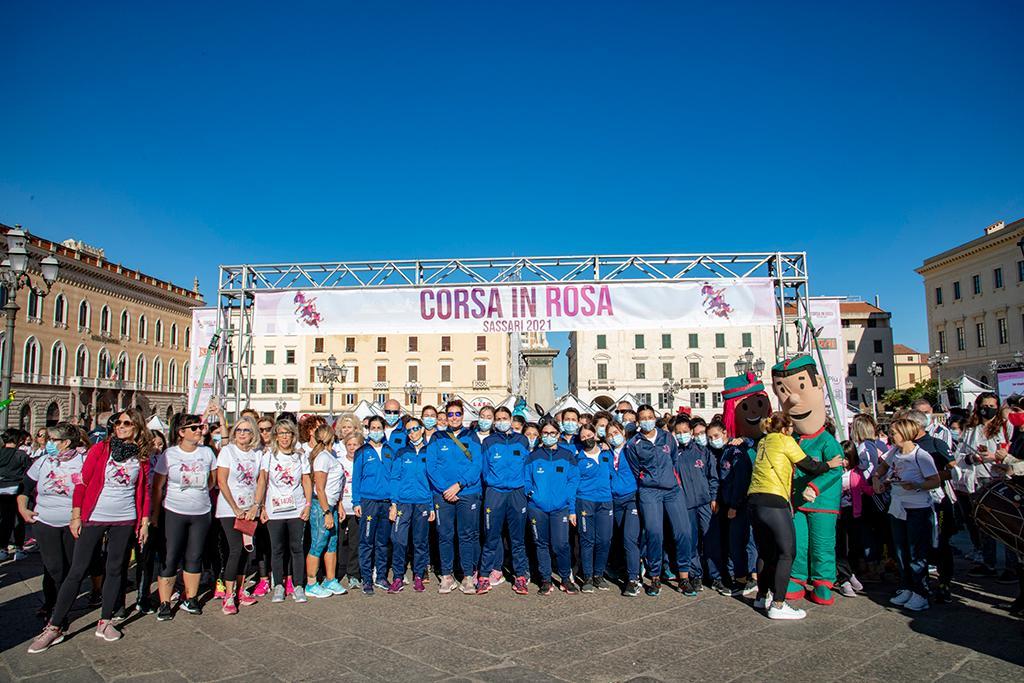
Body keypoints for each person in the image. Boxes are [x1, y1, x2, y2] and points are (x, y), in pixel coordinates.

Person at [28, 409, 153, 652]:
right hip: (95, 516)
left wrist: (144, 521)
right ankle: (54, 626)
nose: (120, 426)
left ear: (137, 427)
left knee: (115, 570)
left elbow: (145, 491)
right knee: (77, 570)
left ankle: (105, 621)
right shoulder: (100, 449)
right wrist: (76, 516)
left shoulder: (142, 456)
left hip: (125, 518)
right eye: (117, 422)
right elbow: (82, 483)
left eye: (126, 423)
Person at [747, 412, 842, 620]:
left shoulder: (764, 441)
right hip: (774, 500)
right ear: (786, 428)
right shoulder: (785, 440)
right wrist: (830, 465)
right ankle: (779, 604)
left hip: (754, 501)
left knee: (765, 551)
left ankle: (761, 596)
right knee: (786, 552)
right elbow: (809, 464)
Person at [770, 355, 845, 606]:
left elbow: (836, 469)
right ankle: (798, 577)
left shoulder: (827, 441)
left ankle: (823, 582)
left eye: (800, 387)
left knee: (822, 544)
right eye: (783, 391)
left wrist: (815, 486)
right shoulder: (791, 440)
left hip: (823, 502)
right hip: (797, 503)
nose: (791, 398)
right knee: (798, 544)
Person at [151, 413, 218, 620]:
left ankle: (191, 598)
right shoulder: (170, 454)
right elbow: (158, 486)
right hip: (174, 512)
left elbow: (212, 481)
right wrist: (154, 514)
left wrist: (197, 494)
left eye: (200, 427)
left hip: (200, 512)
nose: (199, 430)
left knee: (194, 557)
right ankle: (165, 602)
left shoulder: (207, 453)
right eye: (194, 428)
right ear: (181, 432)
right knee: (170, 558)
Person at [871, 418, 942, 612]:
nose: (891, 435)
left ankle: (921, 591)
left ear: (905, 433)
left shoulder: (921, 455)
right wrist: (879, 479)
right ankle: (906, 586)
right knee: (900, 549)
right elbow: (882, 468)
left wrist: (917, 485)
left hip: (917, 508)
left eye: (894, 432)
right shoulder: (893, 452)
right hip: (897, 506)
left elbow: (934, 480)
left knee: (916, 551)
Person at [16, 423, 85, 623]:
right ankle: (54, 607)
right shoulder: (43, 462)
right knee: (53, 566)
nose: (49, 444)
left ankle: (58, 604)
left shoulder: (83, 461)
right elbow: (25, 487)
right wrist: (23, 508)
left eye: (54, 440)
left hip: (73, 523)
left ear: (67, 443)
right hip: (45, 521)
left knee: (70, 567)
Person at [623, 404, 691, 597]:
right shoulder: (633, 444)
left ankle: (684, 576)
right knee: (654, 533)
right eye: (643, 418)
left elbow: (674, 460)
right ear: (638, 421)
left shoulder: (667, 437)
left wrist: (670, 479)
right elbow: (636, 469)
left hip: (672, 490)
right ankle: (655, 577)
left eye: (650, 416)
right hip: (649, 491)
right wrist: (648, 480)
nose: (647, 420)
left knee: (683, 532)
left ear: (655, 417)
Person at [426, 399, 483, 595]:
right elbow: (431, 467)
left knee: (467, 535)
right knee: (445, 535)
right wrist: (445, 489)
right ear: (446, 417)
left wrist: (458, 485)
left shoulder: (472, 436)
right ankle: (447, 575)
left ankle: (468, 575)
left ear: (463, 415)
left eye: (457, 414)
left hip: (467, 492)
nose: (454, 418)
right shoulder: (436, 438)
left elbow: (477, 465)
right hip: (443, 494)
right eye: (450, 414)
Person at [958, 393, 1016, 579]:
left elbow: (1012, 448)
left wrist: (997, 457)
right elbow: (959, 453)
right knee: (984, 524)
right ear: (978, 406)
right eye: (985, 405)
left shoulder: (1005, 426)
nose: (988, 408)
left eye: (992, 405)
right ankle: (988, 562)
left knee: (1007, 524)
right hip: (979, 479)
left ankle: (1012, 567)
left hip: (1001, 477)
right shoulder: (971, 428)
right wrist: (971, 458)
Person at [478, 406, 531, 595]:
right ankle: (484, 576)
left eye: (504, 418)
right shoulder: (489, 442)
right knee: (491, 536)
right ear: (494, 422)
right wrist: (494, 484)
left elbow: (527, 468)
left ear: (511, 419)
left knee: (517, 539)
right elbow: (484, 470)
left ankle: (520, 577)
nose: (501, 421)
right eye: (498, 418)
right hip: (495, 493)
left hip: (517, 494)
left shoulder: (522, 441)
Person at [258, 419, 313, 603]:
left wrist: (307, 505)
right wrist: (261, 507)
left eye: (288, 433)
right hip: (275, 509)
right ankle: (279, 586)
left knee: (297, 548)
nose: (284, 437)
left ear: (293, 435)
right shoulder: (269, 456)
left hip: (296, 508)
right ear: (276, 436)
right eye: (281, 433)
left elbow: (306, 480)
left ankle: (298, 585)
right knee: (277, 549)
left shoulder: (300, 456)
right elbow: (263, 482)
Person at [214, 416, 264, 614]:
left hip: (249, 508)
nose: (242, 434)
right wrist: (235, 507)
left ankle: (241, 589)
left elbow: (260, 481)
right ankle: (228, 594)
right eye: (239, 430)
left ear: (253, 433)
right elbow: (222, 481)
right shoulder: (227, 452)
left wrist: (256, 506)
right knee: (234, 548)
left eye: (246, 430)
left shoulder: (257, 454)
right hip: (229, 509)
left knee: (245, 550)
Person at [525, 420, 579, 594]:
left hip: (560, 508)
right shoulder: (533, 456)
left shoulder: (567, 455)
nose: (549, 436)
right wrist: (532, 494)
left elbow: (573, 481)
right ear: (541, 434)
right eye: (546, 433)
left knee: (561, 544)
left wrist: (570, 507)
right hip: (537, 507)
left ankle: (565, 578)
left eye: (553, 433)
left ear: (558, 434)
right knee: (541, 544)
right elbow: (526, 480)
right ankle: (546, 580)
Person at [387, 417, 433, 593]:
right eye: (409, 430)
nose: (412, 433)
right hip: (403, 503)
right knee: (399, 540)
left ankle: (419, 575)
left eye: (415, 429)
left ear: (422, 429)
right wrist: (394, 503)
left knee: (420, 541)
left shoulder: (429, 452)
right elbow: (395, 478)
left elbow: (432, 480)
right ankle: (398, 576)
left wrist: (430, 506)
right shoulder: (402, 453)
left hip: (422, 503)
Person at [352, 416, 394, 595]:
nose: (376, 430)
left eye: (379, 427)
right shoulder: (362, 452)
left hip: (386, 501)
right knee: (367, 541)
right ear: (368, 429)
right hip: (368, 501)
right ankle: (366, 578)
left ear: (384, 429)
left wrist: (394, 502)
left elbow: (394, 477)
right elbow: (356, 478)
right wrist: (356, 502)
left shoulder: (390, 451)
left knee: (383, 542)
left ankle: (381, 576)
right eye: (373, 427)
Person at [306, 425, 348, 598]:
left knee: (332, 542)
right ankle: (311, 582)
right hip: (321, 506)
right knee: (318, 543)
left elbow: (334, 486)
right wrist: (326, 512)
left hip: (332, 505)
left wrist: (338, 505)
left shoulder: (330, 455)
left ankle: (330, 579)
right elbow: (320, 488)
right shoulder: (322, 457)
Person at [679, 419, 721, 593]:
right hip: (686, 504)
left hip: (705, 502)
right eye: (679, 432)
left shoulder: (703, 452)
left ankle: (716, 576)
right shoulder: (676, 454)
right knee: (691, 541)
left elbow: (713, 477)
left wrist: (713, 497)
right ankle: (696, 575)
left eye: (686, 431)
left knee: (711, 539)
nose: (683, 435)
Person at [574, 423, 613, 593]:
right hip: (585, 501)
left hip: (605, 501)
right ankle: (588, 576)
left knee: (604, 540)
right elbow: (573, 483)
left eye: (589, 435)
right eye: (583, 437)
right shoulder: (578, 458)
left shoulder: (607, 454)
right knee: (587, 540)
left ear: (595, 434)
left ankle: (599, 574)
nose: (587, 439)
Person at [606, 421, 642, 596]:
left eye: (615, 432)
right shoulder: (607, 454)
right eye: (610, 435)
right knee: (621, 537)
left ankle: (633, 579)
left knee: (629, 538)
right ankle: (631, 567)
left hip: (632, 499)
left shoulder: (632, 450)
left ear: (622, 432)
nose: (613, 437)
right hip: (616, 500)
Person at [835, 440, 871, 597]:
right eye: (842, 458)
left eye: (847, 458)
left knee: (853, 546)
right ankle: (844, 578)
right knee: (841, 546)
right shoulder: (835, 472)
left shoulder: (856, 472)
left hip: (853, 512)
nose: (844, 461)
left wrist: (880, 485)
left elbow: (865, 488)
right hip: (838, 513)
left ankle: (850, 574)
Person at [0, 429, 32, 563]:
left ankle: (2, 549)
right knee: (18, 520)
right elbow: (29, 472)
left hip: (1, 491)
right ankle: (19, 548)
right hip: (17, 491)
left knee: (3, 520)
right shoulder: (21, 455)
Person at [337, 432, 362, 589]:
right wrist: (338, 504)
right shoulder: (339, 462)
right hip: (341, 506)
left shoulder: (363, 462)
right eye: (349, 445)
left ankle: (354, 574)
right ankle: (338, 572)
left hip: (356, 508)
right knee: (339, 541)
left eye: (356, 445)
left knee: (355, 542)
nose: (352, 448)